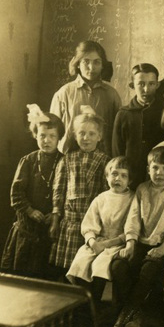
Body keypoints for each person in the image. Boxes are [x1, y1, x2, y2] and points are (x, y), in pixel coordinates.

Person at [110, 146, 164, 327]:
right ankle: (139, 312)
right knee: (118, 266)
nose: (159, 173)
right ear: (148, 169)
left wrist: (163, 248)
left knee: (148, 271)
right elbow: (133, 219)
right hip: (141, 243)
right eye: (155, 167)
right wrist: (130, 243)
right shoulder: (143, 189)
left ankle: (124, 316)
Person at [2, 105, 65, 278]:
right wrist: (30, 210)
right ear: (35, 135)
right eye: (42, 135)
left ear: (59, 138)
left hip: (50, 227)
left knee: (45, 276)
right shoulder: (28, 161)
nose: (47, 140)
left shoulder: (64, 162)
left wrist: (55, 215)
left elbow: (66, 194)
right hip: (27, 229)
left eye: (52, 136)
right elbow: (16, 194)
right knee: (23, 275)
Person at [66, 157, 134, 306]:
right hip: (99, 241)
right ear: (107, 176)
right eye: (114, 174)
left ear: (130, 181)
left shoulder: (133, 199)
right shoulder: (101, 198)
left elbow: (132, 228)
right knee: (81, 261)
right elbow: (89, 224)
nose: (118, 179)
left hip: (117, 244)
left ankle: (95, 306)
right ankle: (83, 307)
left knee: (100, 266)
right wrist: (92, 241)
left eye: (124, 176)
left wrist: (109, 243)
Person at [50, 112, 109, 277]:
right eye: (82, 133)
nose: (86, 138)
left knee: (84, 267)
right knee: (65, 269)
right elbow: (58, 191)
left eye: (91, 134)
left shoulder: (105, 161)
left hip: (91, 225)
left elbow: (106, 197)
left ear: (99, 136)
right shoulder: (67, 160)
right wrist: (55, 219)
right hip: (69, 223)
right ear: (75, 136)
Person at [50, 40, 122, 153]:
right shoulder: (64, 93)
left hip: (102, 159)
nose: (91, 67)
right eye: (86, 62)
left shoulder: (111, 94)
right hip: (68, 158)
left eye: (96, 62)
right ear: (78, 63)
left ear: (103, 65)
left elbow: (118, 132)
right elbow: (52, 130)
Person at [112, 63, 164, 189]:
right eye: (141, 84)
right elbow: (117, 152)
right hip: (131, 178)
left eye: (151, 84)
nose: (146, 89)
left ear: (157, 85)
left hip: (159, 178)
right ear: (132, 85)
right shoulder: (123, 114)